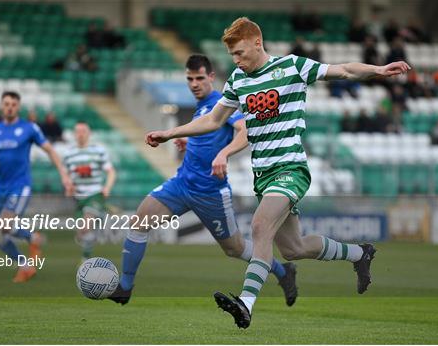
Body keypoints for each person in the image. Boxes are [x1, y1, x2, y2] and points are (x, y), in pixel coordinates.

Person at [145, 17, 410, 329]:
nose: (236, 59)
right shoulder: (237, 81)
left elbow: (344, 70)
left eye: (240, 52)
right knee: (293, 248)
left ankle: (246, 303)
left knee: (259, 226)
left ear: (258, 43)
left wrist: (377, 71)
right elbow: (214, 121)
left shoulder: (292, 67)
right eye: (232, 55)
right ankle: (359, 253)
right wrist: (170, 132)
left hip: (290, 168)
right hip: (263, 174)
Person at [109, 55, 298, 307]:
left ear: (211, 77)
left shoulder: (222, 103)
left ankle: (284, 272)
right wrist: (190, 142)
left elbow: (245, 132)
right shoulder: (201, 107)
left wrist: (224, 153)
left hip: (211, 192)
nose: (194, 83)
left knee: (235, 249)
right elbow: (207, 135)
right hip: (182, 183)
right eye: (190, 78)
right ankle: (125, 287)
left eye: (199, 78)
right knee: (139, 221)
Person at [0, 91, 73, 283]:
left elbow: (50, 150)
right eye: (6, 104)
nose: (9, 107)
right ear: (1, 106)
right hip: (0, 187)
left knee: (4, 225)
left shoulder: (29, 128)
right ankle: (26, 260)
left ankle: (30, 239)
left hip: (20, 185)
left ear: (18, 107)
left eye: (13, 104)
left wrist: (64, 174)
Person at [63, 122, 117, 261]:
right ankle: (86, 256)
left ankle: (85, 259)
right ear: (74, 134)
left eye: (83, 131)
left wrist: (107, 188)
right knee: (82, 233)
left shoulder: (98, 151)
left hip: (95, 194)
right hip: (78, 197)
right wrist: (68, 185)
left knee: (87, 225)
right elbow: (66, 175)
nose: (80, 134)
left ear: (89, 134)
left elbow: (111, 172)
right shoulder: (69, 154)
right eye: (78, 131)